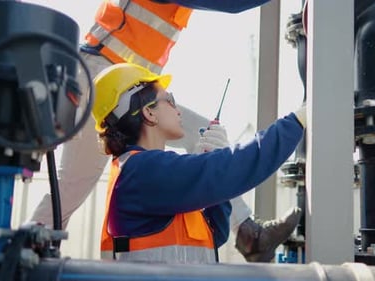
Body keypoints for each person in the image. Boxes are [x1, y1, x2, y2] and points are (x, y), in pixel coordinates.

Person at [30, 0, 302, 262]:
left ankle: (247, 234)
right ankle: (28, 250)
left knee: (203, 133)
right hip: (105, 81)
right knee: (72, 185)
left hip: (128, 85)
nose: (175, 107)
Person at [92, 62, 306, 263]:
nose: (178, 109)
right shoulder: (140, 171)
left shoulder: (148, 174)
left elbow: (214, 235)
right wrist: (296, 123)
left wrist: (215, 165)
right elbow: (229, 170)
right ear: (149, 112)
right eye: (170, 99)